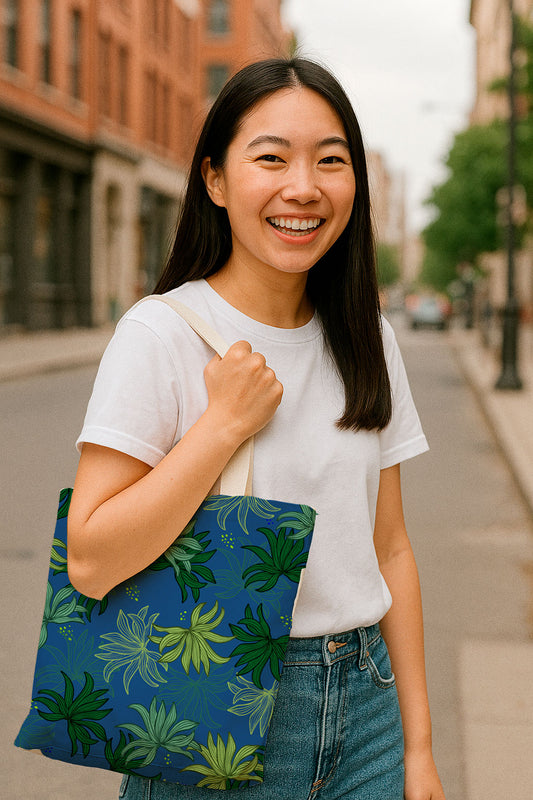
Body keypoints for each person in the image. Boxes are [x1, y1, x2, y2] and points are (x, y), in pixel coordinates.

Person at [67, 58, 446, 800]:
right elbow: (90, 558)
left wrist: (418, 747)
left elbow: (389, 545)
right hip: (215, 700)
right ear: (214, 180)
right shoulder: (162, 334)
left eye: (329, 161)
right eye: (270, 158)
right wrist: (219, 428)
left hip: (366, 708)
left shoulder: (365, 334)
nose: (302, 187)